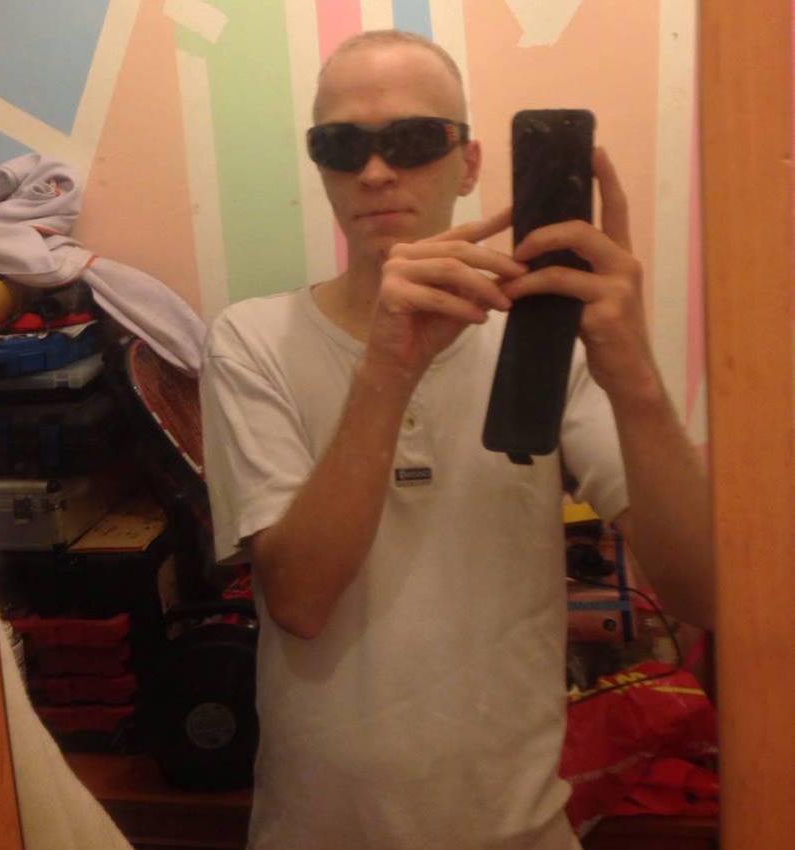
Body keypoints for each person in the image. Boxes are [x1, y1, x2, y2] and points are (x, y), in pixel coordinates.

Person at [200, 29, 713, 850]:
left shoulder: (547, 343)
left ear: (469, 164)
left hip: (521, 831)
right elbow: (299, 601)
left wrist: (638, 380)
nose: (376, 171)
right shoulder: (251, 340)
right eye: (342, 146)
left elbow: (705, 596)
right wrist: (388, 368)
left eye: (412, 140)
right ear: (320, 165)